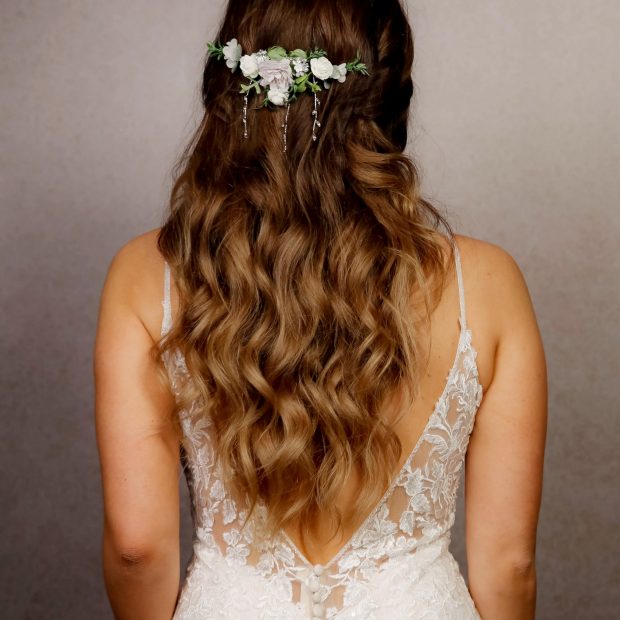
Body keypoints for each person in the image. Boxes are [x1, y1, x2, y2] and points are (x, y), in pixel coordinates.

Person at [93, 1, 547, 618]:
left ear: (230, 86)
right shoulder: (487, 284)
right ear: (391, 98)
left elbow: (137, 550)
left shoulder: (147, 275)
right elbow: (509, 566)